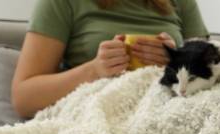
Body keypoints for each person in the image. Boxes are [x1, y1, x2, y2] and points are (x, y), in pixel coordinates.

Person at [12, 0, 208, 118]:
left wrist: (176, 61)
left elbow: (214, 73)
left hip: (171, 114)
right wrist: (95, 70)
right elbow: (24, 98)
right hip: (98, 118)